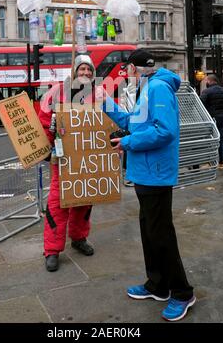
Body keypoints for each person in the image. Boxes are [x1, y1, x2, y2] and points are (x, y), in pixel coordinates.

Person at [100, 48, 195, 322]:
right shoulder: (148, 88)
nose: (125, 74)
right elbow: (135, 123)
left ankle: (182, 292)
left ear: (136, 68)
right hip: (144, 173)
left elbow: (165, 131)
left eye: (127, 69)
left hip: (155, 173)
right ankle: (157, 285)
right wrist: (106, 103)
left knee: (161, 235)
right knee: (149, 232)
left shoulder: (158, 89)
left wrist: (127, 143)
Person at [39, 55, 96, 272]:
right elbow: (43, 119)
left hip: (86, 158)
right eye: (82, 69)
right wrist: (48, 141)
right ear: (74, 71)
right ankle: (52, 250)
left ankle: (79, 237)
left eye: (89, 70)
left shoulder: (97, 93)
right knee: (58, 201)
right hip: (62, 157)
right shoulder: (56, 91)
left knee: (85, 198)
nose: (86, 73)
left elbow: (107, 119)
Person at [200, 74, 223, 169]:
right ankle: (222, 163)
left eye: (206, 81)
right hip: (222, 118)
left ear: (209, 81)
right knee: (221, 139)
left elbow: (201, 105)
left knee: (210, 140)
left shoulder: (206, 91)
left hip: (211, 119)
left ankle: (210, 162)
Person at [120, 64, 137, 187]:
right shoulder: (126, 90)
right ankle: (130, 174)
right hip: (130, 123)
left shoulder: (143, 88)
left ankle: (131, 176)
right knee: (128, 149)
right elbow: (124, 106)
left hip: (136, 124)